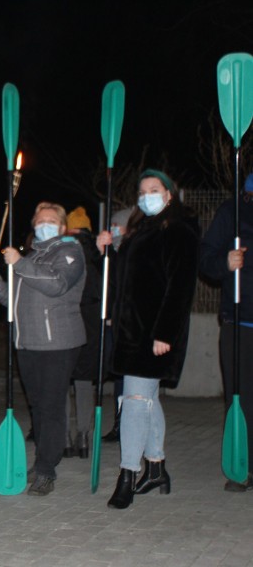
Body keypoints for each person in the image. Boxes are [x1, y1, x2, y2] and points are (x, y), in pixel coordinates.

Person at [98, 169, 199, 509]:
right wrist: (109, 253)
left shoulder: (180, 231)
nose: (147, 196)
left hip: (153, 333)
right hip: (131, 331)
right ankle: (156, 469)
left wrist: (165, 333)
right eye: (142, 191)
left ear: (170, 194)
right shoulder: (142, 230)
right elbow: (129, 280)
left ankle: (127, 474)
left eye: (154, 190)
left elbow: (180, 287)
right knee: (146, 400)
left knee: (134, 403)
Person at [0, 202, 86, 496]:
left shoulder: (69, 252)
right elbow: (14, 302)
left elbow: (56, 284)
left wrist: (20, 263)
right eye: (39, 221)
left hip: (58, 344)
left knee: (51, 407)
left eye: (51, 221)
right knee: (38, 407)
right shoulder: (32, 255)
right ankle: (43, 460)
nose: (44, 225)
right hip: (28, 343)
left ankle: (46, 470)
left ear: (63, 227)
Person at [199, 172, 253, 492]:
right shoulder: (232, 211)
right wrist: (226, 262)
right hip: (241, 320)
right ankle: (243, 464)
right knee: (242, 396)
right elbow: (206, 257)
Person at [62, 206, 101, 459]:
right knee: (85, 382)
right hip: (91, 327)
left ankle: (64, 435)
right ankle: (84, 435)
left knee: (62, 382)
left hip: (65, 323)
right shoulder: (99, 256)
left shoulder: (64, 252)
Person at [100, 206, 134, 443]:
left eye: (117, 226)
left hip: (129, 324)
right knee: (119, 376)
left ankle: (128, 424)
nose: (113, 229)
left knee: (129, 377)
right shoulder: (110, 253)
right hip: (113, 321)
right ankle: (120, 423)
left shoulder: (130, 253)